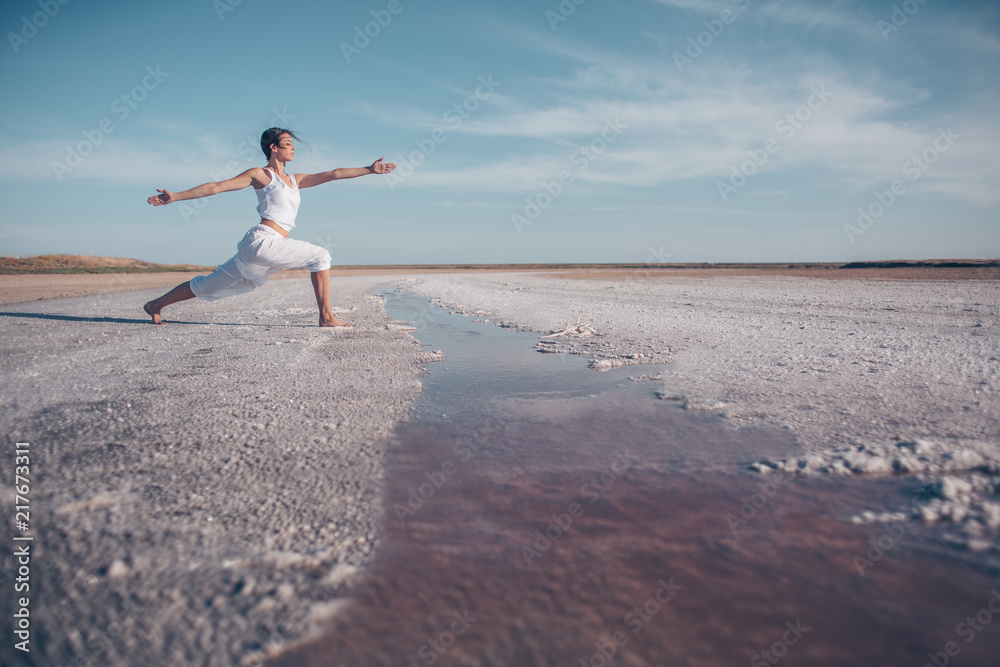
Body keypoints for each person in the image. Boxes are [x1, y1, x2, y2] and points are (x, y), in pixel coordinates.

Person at [143, 127, 396, 326]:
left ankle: (155, 305)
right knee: (321, 255)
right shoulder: (261, 175)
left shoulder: (296, 180)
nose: (293, 148)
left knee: (207, 286)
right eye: (288, 144)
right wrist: (175, 196)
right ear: (274, 148)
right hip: (264, 241)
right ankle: (327, 317)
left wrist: (369, 170)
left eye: (293, 144)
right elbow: (216, 187)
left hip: (263, 251)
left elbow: (334, 173)